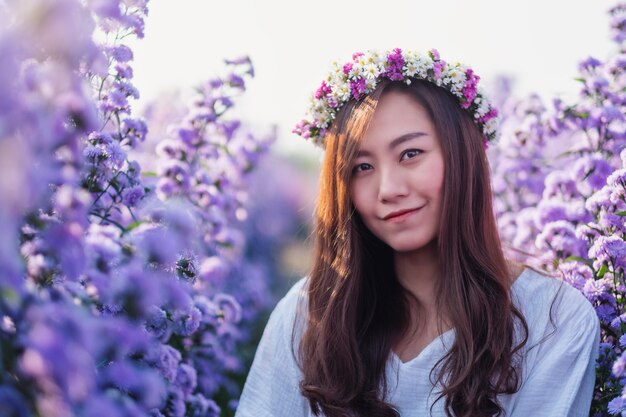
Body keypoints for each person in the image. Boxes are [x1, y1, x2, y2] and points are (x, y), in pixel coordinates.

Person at [234, 48, 600, 417]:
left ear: (462, 155)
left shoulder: (552, 319)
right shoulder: (309, 314)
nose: (388, 188)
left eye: (410, 154)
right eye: (362, 166)